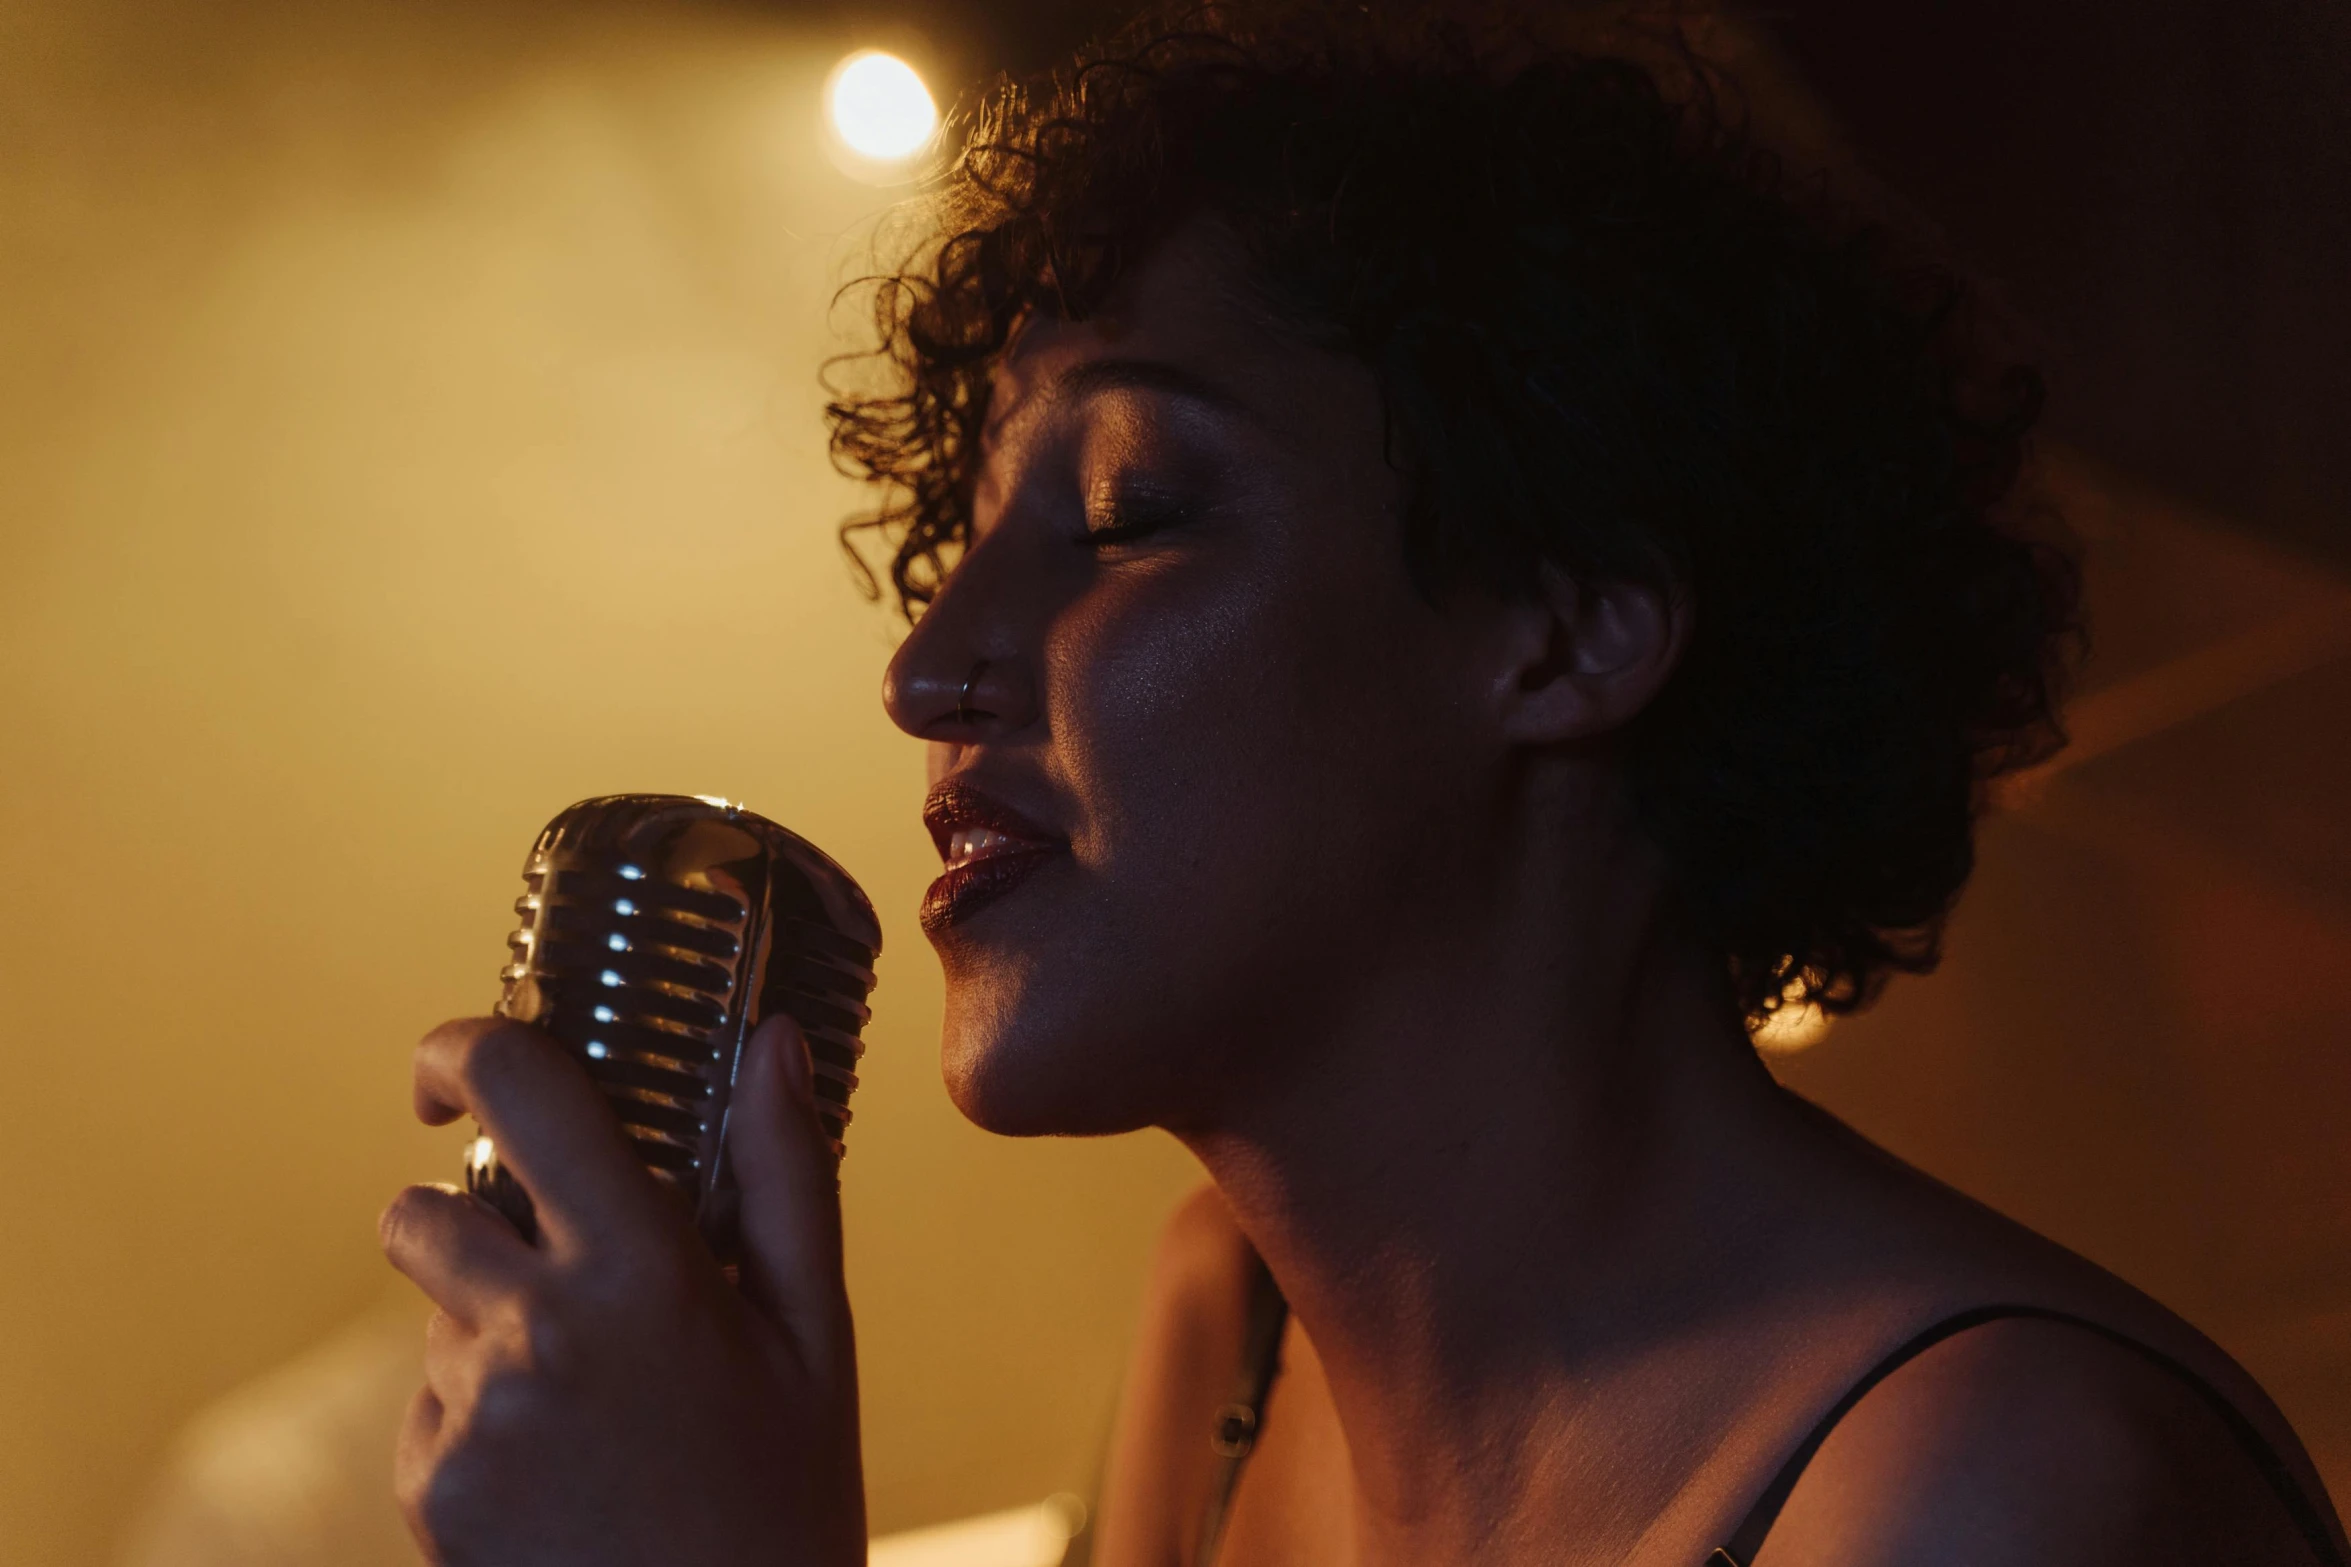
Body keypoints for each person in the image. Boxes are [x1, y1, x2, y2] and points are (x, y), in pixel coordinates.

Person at [376, 2, 2351, 1563]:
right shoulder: (1228, 1337)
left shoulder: (1991, 1499)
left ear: (1564, 632)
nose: (924, 670)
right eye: (955, 547)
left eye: (1126, 511)